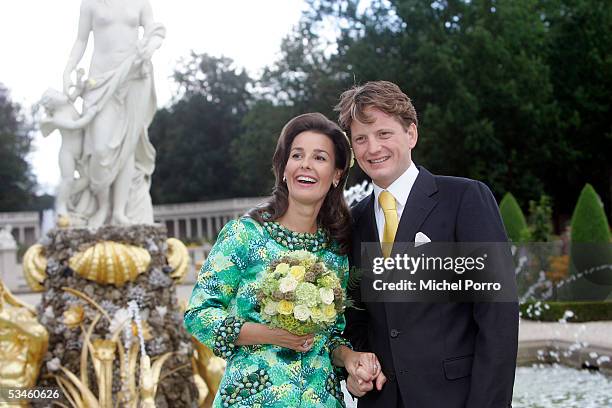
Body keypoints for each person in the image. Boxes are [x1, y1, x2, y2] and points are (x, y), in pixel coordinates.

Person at [336, 81, 519, 407]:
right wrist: (355, 372)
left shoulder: (465, 199)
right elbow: (356, 319)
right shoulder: (354, 221)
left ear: (411, 135)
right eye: (360, 139)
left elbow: (498, 317)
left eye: (383, 133)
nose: (372, 147)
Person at [184, 113, 380, 407]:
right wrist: (270, 334)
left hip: (321, 399)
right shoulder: (245, 235)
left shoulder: (336, 251)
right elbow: (199, 315)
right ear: (284, 168)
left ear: (337, 174)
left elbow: (331, 336)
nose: (305, 164)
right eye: (297, 155)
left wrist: (351, 358)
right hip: (252, 397)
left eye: (319, 158)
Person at [63, 0, 165, 227]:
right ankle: (102, 206)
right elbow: (81, 40)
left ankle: (119, 212)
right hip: (100, 79)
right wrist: (68, 70)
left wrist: (151, 45)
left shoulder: (140, 2)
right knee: (100, 148)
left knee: (127, 146)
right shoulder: (90, 3)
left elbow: (154, 30)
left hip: (134, 76)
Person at [39, 88, 97, 223]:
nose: (61, 94)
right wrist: (91, 114)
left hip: (81, 153)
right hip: (67, 153)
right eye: (57, 94)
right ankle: (61, 205)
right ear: (53, 103)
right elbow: (75, 125)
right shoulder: (57, 118)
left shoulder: (66, 103)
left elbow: (76, 92)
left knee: (87, 180)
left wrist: (79, 80)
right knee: (68, 180)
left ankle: (67, 196)